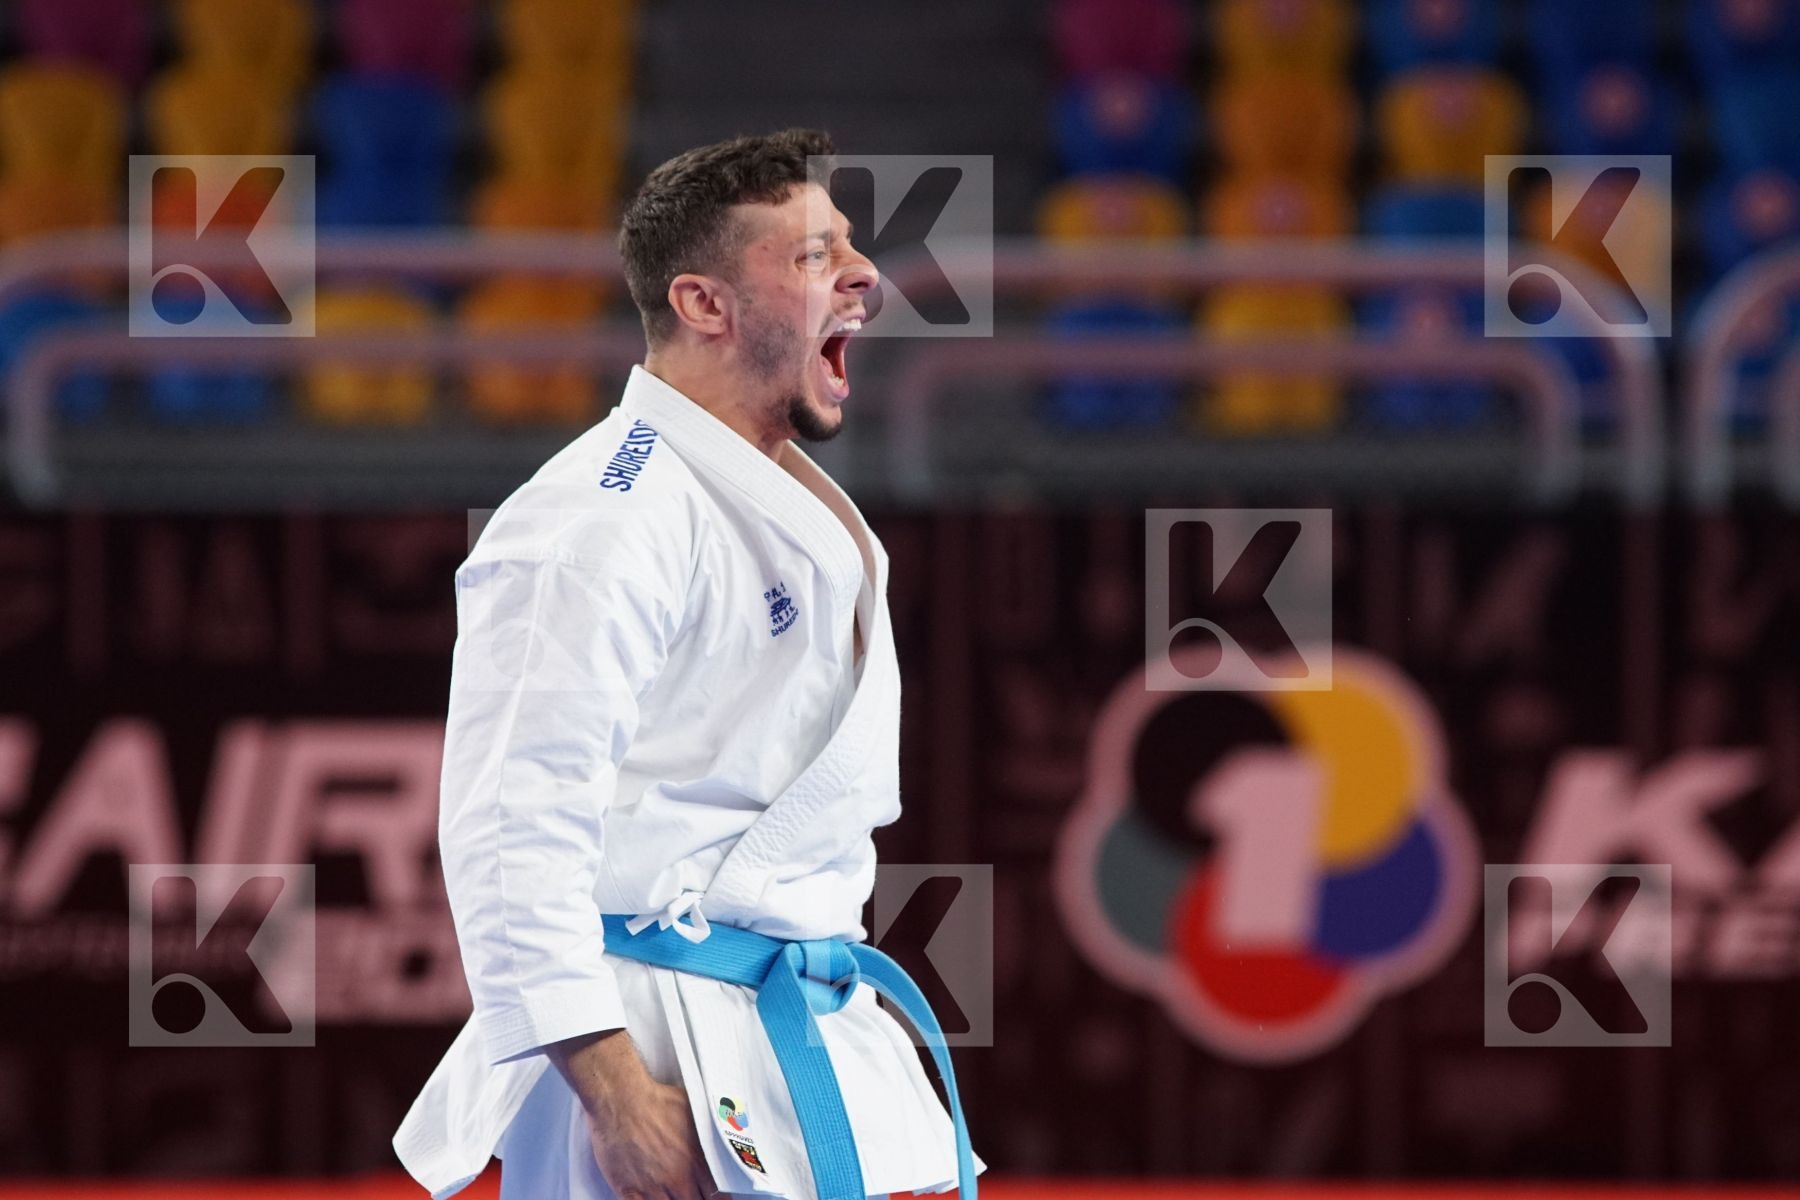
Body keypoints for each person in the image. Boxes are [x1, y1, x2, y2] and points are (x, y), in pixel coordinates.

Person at [393, 128, 984, 1200]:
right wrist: (614, 1091)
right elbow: (512, 825)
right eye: (813, 255)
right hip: (653, 1045)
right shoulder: (602, 517)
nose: (863, 276)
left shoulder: (762, 494)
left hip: (776, 1018)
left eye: (849, 245)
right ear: (705, 304)